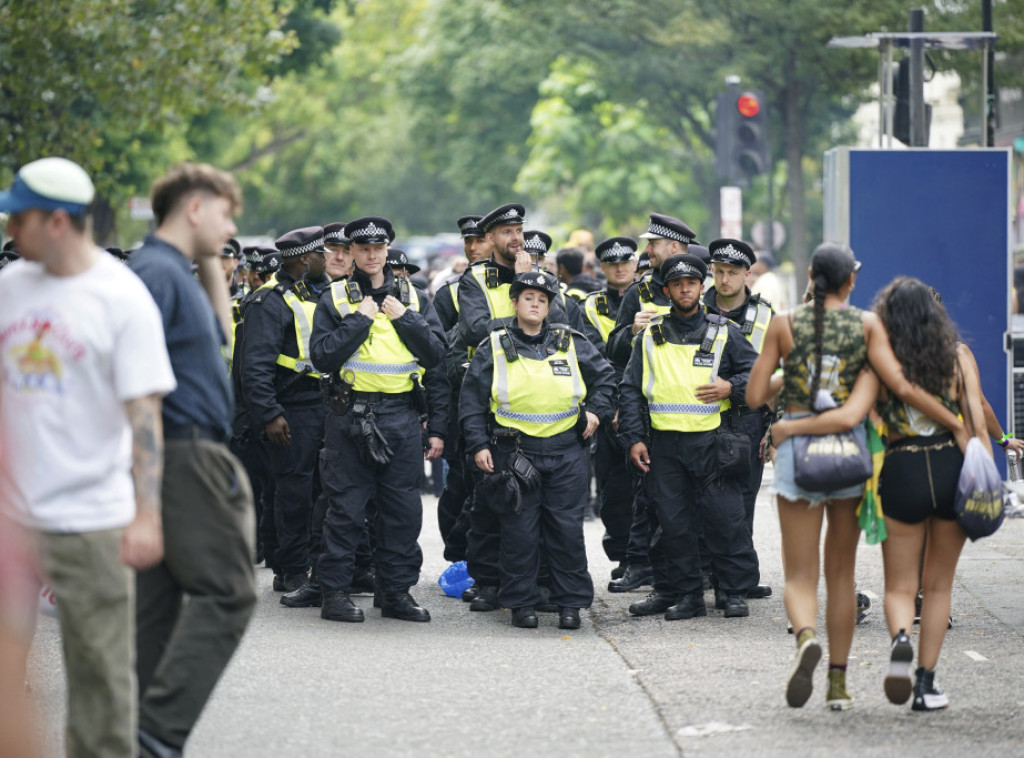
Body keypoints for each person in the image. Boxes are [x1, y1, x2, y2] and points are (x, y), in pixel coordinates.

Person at [0, 156, 176, 756]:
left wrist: (148, 515)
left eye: (16, 219)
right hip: (12, 520)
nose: (7, 231)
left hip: (93, 522)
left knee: (101, 683)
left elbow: (145, 417)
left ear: (55, 221)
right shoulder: (8, 288)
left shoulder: (119, 298)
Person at [746, 244, 965, 712]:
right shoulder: (867, 325)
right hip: (847, 458)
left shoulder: (782, 324)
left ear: (810, 275)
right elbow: (898, 386)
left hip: (797, 456)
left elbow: (754, 394)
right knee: (841, 574)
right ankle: (838, 683)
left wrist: (791, 380)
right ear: (851, 282)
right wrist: (959, 425)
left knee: (800, 574)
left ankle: (806, 638)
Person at [128, 162, 257, 757]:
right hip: (180, 448)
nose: (232, 229)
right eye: (225, 213)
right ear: (195, 208)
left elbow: (219, 336)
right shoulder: (153, 273)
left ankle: (138, 730)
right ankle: (157, 732)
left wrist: (207, 258)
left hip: (189, 448)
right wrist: (146, 499)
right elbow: (139, 388)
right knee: (228, 591)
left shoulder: (176, 271)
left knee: (158, 605)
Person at [311, 216, 448, 623]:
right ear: (351, 252)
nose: (372, 256)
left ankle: (395, 593)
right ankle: (334, 593)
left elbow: (438, 355)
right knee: (346, 509)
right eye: (363, 249)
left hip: (402, 415)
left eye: (379, 248)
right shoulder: (335, 298)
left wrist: (405, 317)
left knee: (402, 511)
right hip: (349, 414)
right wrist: (361, 319)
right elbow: (322, 356)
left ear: (387, 250)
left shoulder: (416, 296)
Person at [461, 271, 615, 628]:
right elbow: (470, 401)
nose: (535, 304)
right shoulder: (495, 345)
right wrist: (478, 445)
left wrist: (596, 411)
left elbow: (606, 379)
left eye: (542, 300)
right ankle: (521, 603)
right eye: (528, 298)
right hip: (515, 452)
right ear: (514, 303)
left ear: (549, 307)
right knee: (519, 532)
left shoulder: (571, 341)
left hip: (566, 451)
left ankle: (571, 604)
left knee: (566, 531)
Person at [618, 253, 760, 622]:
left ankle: (732, 592)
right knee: (674, 524)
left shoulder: (723, 330)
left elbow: (757, 374)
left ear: (702, 287)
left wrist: (732, 386)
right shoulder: (649, 336)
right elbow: (631, 390)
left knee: (726, 520)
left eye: (692, 283)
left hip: (713, 442)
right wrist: (634, 438)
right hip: (664, 445)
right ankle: (687, 595)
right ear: (667, 290)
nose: (685, 289)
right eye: (677, 284)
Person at [241, 226, 327, 593]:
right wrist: (269, 414)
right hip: (290, 410)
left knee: (323, 491)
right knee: (293, 491)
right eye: (323, 254)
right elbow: (254, 365)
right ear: (307, 260)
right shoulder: (269, 302)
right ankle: (291, 568)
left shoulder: (318, 294)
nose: (329, 260)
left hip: (323, 405)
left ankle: (319, 564)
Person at [703, 238, 774, 600]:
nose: (725, 279)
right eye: (718, 272)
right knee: (701, 499)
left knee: (743, 499)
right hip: (702, 417)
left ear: (748, 274)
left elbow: (779, 370)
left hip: (748, 418)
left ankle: (739, 579)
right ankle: (705, 575)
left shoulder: (766, 315)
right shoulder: (692, 310)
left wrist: (774, 427)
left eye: (733, 273)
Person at [582, 237, 638, 584]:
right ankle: (623, 557)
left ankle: (649, 559)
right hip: (607, 408)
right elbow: (595, 357)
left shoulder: (652, 297)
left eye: (626, 262)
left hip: (647, 406)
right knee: (613, 491)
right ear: (602, 268)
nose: (620, 268)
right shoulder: (588, 307)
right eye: (612, 263)